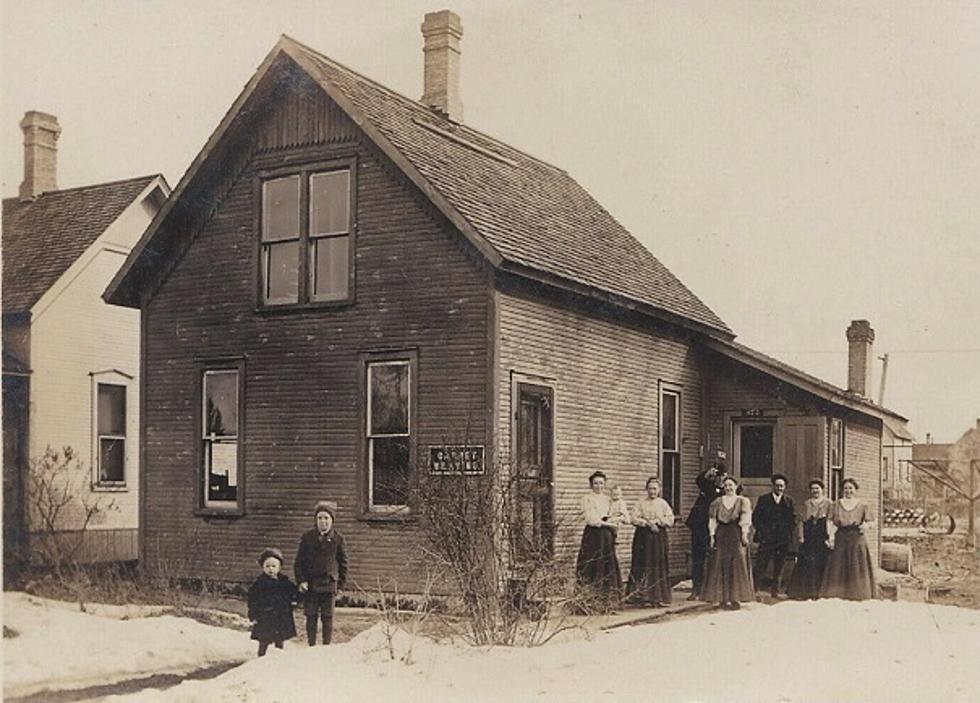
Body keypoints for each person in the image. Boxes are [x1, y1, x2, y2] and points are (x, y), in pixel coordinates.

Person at [295, 500, 348, 645]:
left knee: (327, 616)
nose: (323, 522)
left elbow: (343, 565)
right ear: (315, 520)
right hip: (311, 585)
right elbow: (299, 562)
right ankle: (311, 645)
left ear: (332, 520)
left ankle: (326, 647)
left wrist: (341, 586)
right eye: (320, 518)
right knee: (311, 615)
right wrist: (301, 581)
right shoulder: (308, 538)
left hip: (329, 585)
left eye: (326, 518)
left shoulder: (338, 539)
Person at [701, 476, 755, 610]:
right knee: (720, 563)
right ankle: (722, 598)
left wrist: (744, 533)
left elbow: (745, 518)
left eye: (731, 485)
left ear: (736, 486)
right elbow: (713, 520)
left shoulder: (742, 501)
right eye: (726, 486)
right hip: (722, 534)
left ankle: (735, 598)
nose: (728, 488)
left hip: (735, 533)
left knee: (737, 564)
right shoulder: (717, 502)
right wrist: (712, 536)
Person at [820, 478, 877, 600]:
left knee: (857, 564)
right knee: (838, 565)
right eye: (846, 488)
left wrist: (865, 526)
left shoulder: (862, 505)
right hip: (841, 536)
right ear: (842, 490)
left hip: (857, 537)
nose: (848, 491)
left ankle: (858, 593)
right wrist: (831, 536)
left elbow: (872, 522)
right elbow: (831, 522)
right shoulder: (835, 504)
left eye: (851, 488)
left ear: (855, 490)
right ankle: (838, 593)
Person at [575, 471, 622, 607]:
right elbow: (591, 519)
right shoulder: (586, 499)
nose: (598, 486)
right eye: (596, 483)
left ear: (604, 484)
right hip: (593, 536)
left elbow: (614, 514)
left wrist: (615, 520)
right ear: (591, 484)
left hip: (606, 537)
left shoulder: (608, 499)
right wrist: (608, 522)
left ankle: (607, 602)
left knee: (607, 565)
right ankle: (589, 601)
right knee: (591, 564)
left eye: (601, 483)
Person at [627, 477, 674, 606]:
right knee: (642, 563)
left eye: (654, 489)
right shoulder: (641, 503)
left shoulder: (663, 503)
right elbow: (633, 518)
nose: (652, 491)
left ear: (659, 490)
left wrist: (658, 522)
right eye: (650, 489)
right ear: (646, 489)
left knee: (657, 564)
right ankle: (641, 596)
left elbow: (670, 520)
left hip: (658, 537)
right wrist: (646, 523)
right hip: (643, 537)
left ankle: (657, 596)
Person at [247, 547, 298, 656]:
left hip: (281, 616)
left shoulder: (284, 581)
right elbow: (252, 600)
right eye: (267, 566)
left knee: (280, 640)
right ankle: (261, 657)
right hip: (265, 617)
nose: (271, 569)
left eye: (274, 566)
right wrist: (254, 615)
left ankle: (278, 659)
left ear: (279, 567)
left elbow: (293, 592)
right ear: (263, 567)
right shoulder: (259, 584)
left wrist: (296, 597)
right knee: (264, 640)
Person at [752, 473, 796, 597]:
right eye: (777, 486)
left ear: (785, 487)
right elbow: (756, 517)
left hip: (782, 539)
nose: (779, 488)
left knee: (779, 565)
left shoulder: (789, 501)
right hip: (767, 538)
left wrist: (788, 532)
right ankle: (755, 589)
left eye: (782, 486)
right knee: (761, 563)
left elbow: (793, 519)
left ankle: (775, 591)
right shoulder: (764, 499)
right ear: (773, 486)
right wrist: (763, 531)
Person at [685, 462, 725, 600]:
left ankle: (712, 590)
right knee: (698, 557)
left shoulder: (728, 491)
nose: (721, 480)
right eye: (718, 476)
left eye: (723, 477)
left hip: (717, 528)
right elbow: (699, 481)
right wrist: (707, 473)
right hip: (700, 526)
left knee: (715, 558)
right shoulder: (707, 487)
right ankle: (696, 589)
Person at [787, 479, 831, 600]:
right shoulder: (807, 504)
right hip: (809, 537)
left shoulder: (829, 504)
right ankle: (805, 592)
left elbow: (831, 522)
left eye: (817, 488)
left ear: (822, 490)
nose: (815, 491)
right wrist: (801, 536)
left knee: (821, 563)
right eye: (813, 489)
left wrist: (830, 537)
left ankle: (820, 592)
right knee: (807, 563)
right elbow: (801, 522)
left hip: (822, 537)